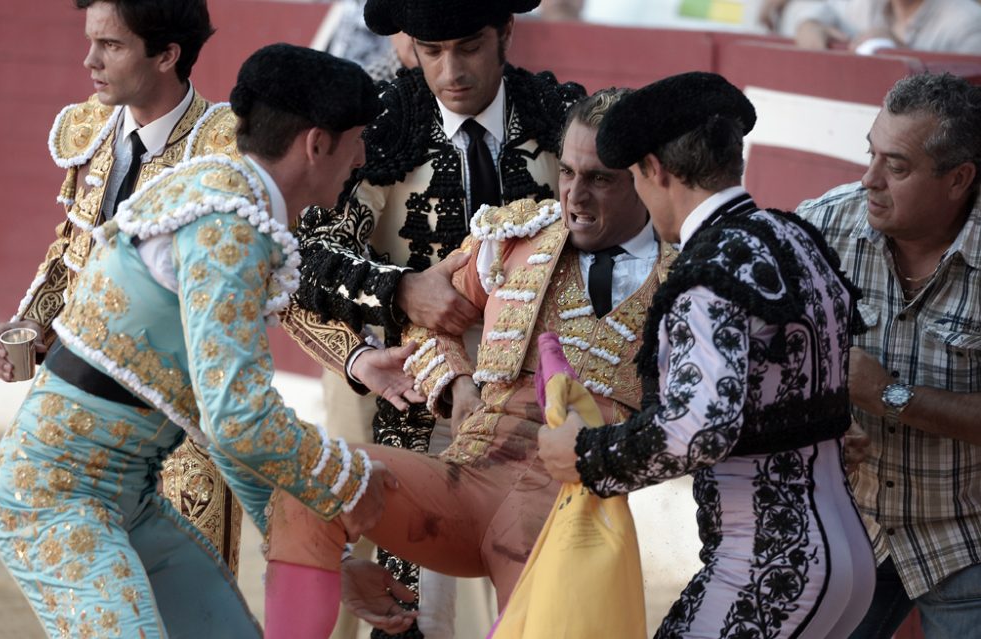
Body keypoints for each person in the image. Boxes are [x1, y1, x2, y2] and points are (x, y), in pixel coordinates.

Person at [0, 43, 409, 638]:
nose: (361, 156)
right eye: (357, 138)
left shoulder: (231, 202)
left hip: (126, 500)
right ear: (317, 144)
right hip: (55, 498)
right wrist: (344, 477)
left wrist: (327, 560)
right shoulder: (229, 223)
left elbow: (228, 431)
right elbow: (239, 419)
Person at [268, 87, 676, 636]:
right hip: (469, 480)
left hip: (569, 518)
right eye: (569, 173)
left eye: (600, 178)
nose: (575, 196)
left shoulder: (684, 282)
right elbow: (428, 317)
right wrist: (457, 385)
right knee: (311, 482)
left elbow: (694, 421)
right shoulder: (516, 239)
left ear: (647, 176)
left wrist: (604, 452)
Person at [538, 72, 875, 637]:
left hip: (769, 567)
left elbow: (699, 428)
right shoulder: (792, 237)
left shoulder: (708, 270)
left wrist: (587, 457)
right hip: (848, 560)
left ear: (655, 170)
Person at [285, 0, 585, 632]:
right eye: (431, 50)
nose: (451, 70)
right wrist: (400, 289)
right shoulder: (384, 122)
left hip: (528, 395)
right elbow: (310, 253)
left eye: (469, 46)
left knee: (526, 578)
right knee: (380, 576)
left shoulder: (558, 117)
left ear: (505, 31)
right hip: (398, 385)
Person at [0, 0, 246, 569]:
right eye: (91, 41)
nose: (89, 60)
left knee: (188, 606)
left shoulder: (223, 152)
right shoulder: (93, 128)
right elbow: (71, 248)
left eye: (112, 45)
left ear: (166, 55)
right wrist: (31, 323)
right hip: (82, 414)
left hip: (179, 426)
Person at [797, 72, 981, 639]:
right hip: (849, 528)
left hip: (967, 537)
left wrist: (887, 395)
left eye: (896, 167)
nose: (869, 179)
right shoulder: (827, 223)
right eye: (870, 155)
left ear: (959, 179)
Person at [793, 0, 981, 54]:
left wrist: (901, 53)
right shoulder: (869, 4)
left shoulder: (968, 22)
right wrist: (810, 24)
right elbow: (825, 8)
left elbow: (967, 107)